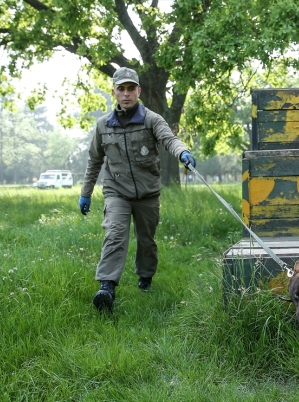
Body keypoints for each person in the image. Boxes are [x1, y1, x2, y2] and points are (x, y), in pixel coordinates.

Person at [78, 66, 196, 312]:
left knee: (146, 240)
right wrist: (85, 193)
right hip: (116, 191)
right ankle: (107, 287)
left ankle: (145, 277)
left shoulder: (151, 119)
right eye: (121, 89)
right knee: (115, 234)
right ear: (114, 92)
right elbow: (94, 161)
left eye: (131, 88)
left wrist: (182, 152)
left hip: (147, 193)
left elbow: (169, 139)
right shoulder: (103, 126)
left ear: (138, 91)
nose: (126, 94)